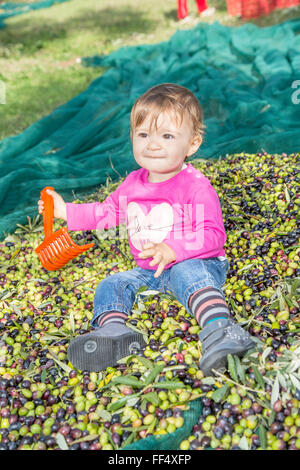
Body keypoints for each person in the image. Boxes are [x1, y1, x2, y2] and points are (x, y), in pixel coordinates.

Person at [38, 83, 255, 376]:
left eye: (167, 136)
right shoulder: (132, 183)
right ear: (132, 138)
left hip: (196, 262)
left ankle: (220, 329)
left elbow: (212, 234)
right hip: (149, 272)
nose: (152, 144)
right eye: (143, 135)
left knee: (185, 274)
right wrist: (65, 212)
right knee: (112, 284)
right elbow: (106, 212)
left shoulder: (195, 187)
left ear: (192, 144)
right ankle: (114, 332)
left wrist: (173, 249)